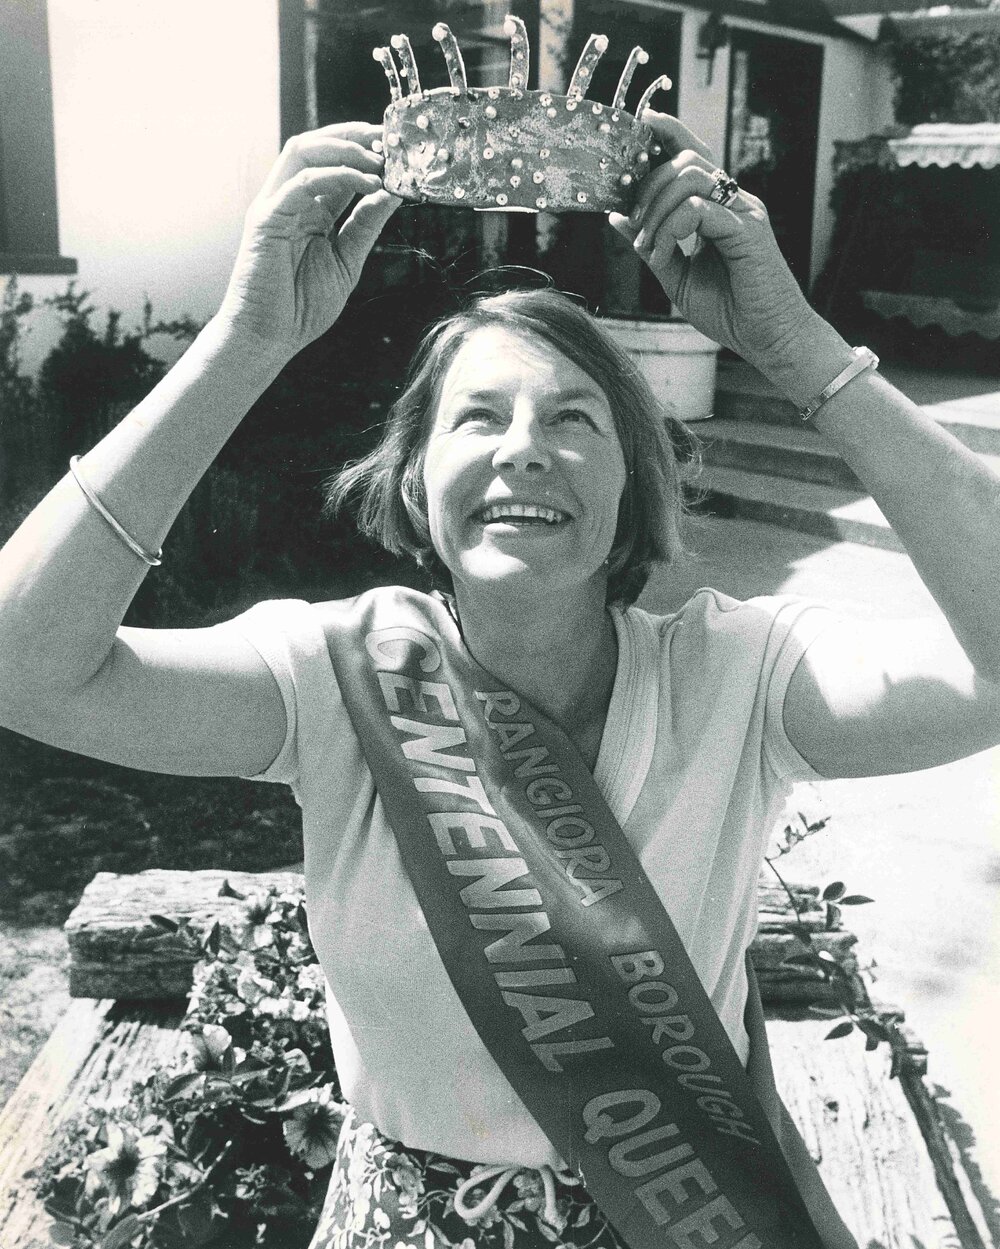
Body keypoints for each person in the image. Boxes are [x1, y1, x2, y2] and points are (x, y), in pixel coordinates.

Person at [1, 113, 999, 1249]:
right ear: (418, 488)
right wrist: (246, 338)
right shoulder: (335, 680)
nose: (525, 447)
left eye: (575, 419)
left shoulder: (740, 677)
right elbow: (23, 666)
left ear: (634, 486)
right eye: (479, 416)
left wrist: (801, 349)